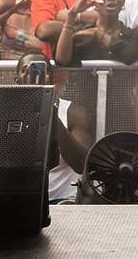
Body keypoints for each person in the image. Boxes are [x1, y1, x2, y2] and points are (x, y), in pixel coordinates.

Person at [16, 52, 93, 205]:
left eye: (40, 70)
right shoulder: (5, 112)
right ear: (16, 80)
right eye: (25, 69)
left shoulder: (73, 112)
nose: (33, 75)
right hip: (22, 201)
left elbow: (81, 164)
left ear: (51, 78)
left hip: (64, 201)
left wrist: (49, 109)